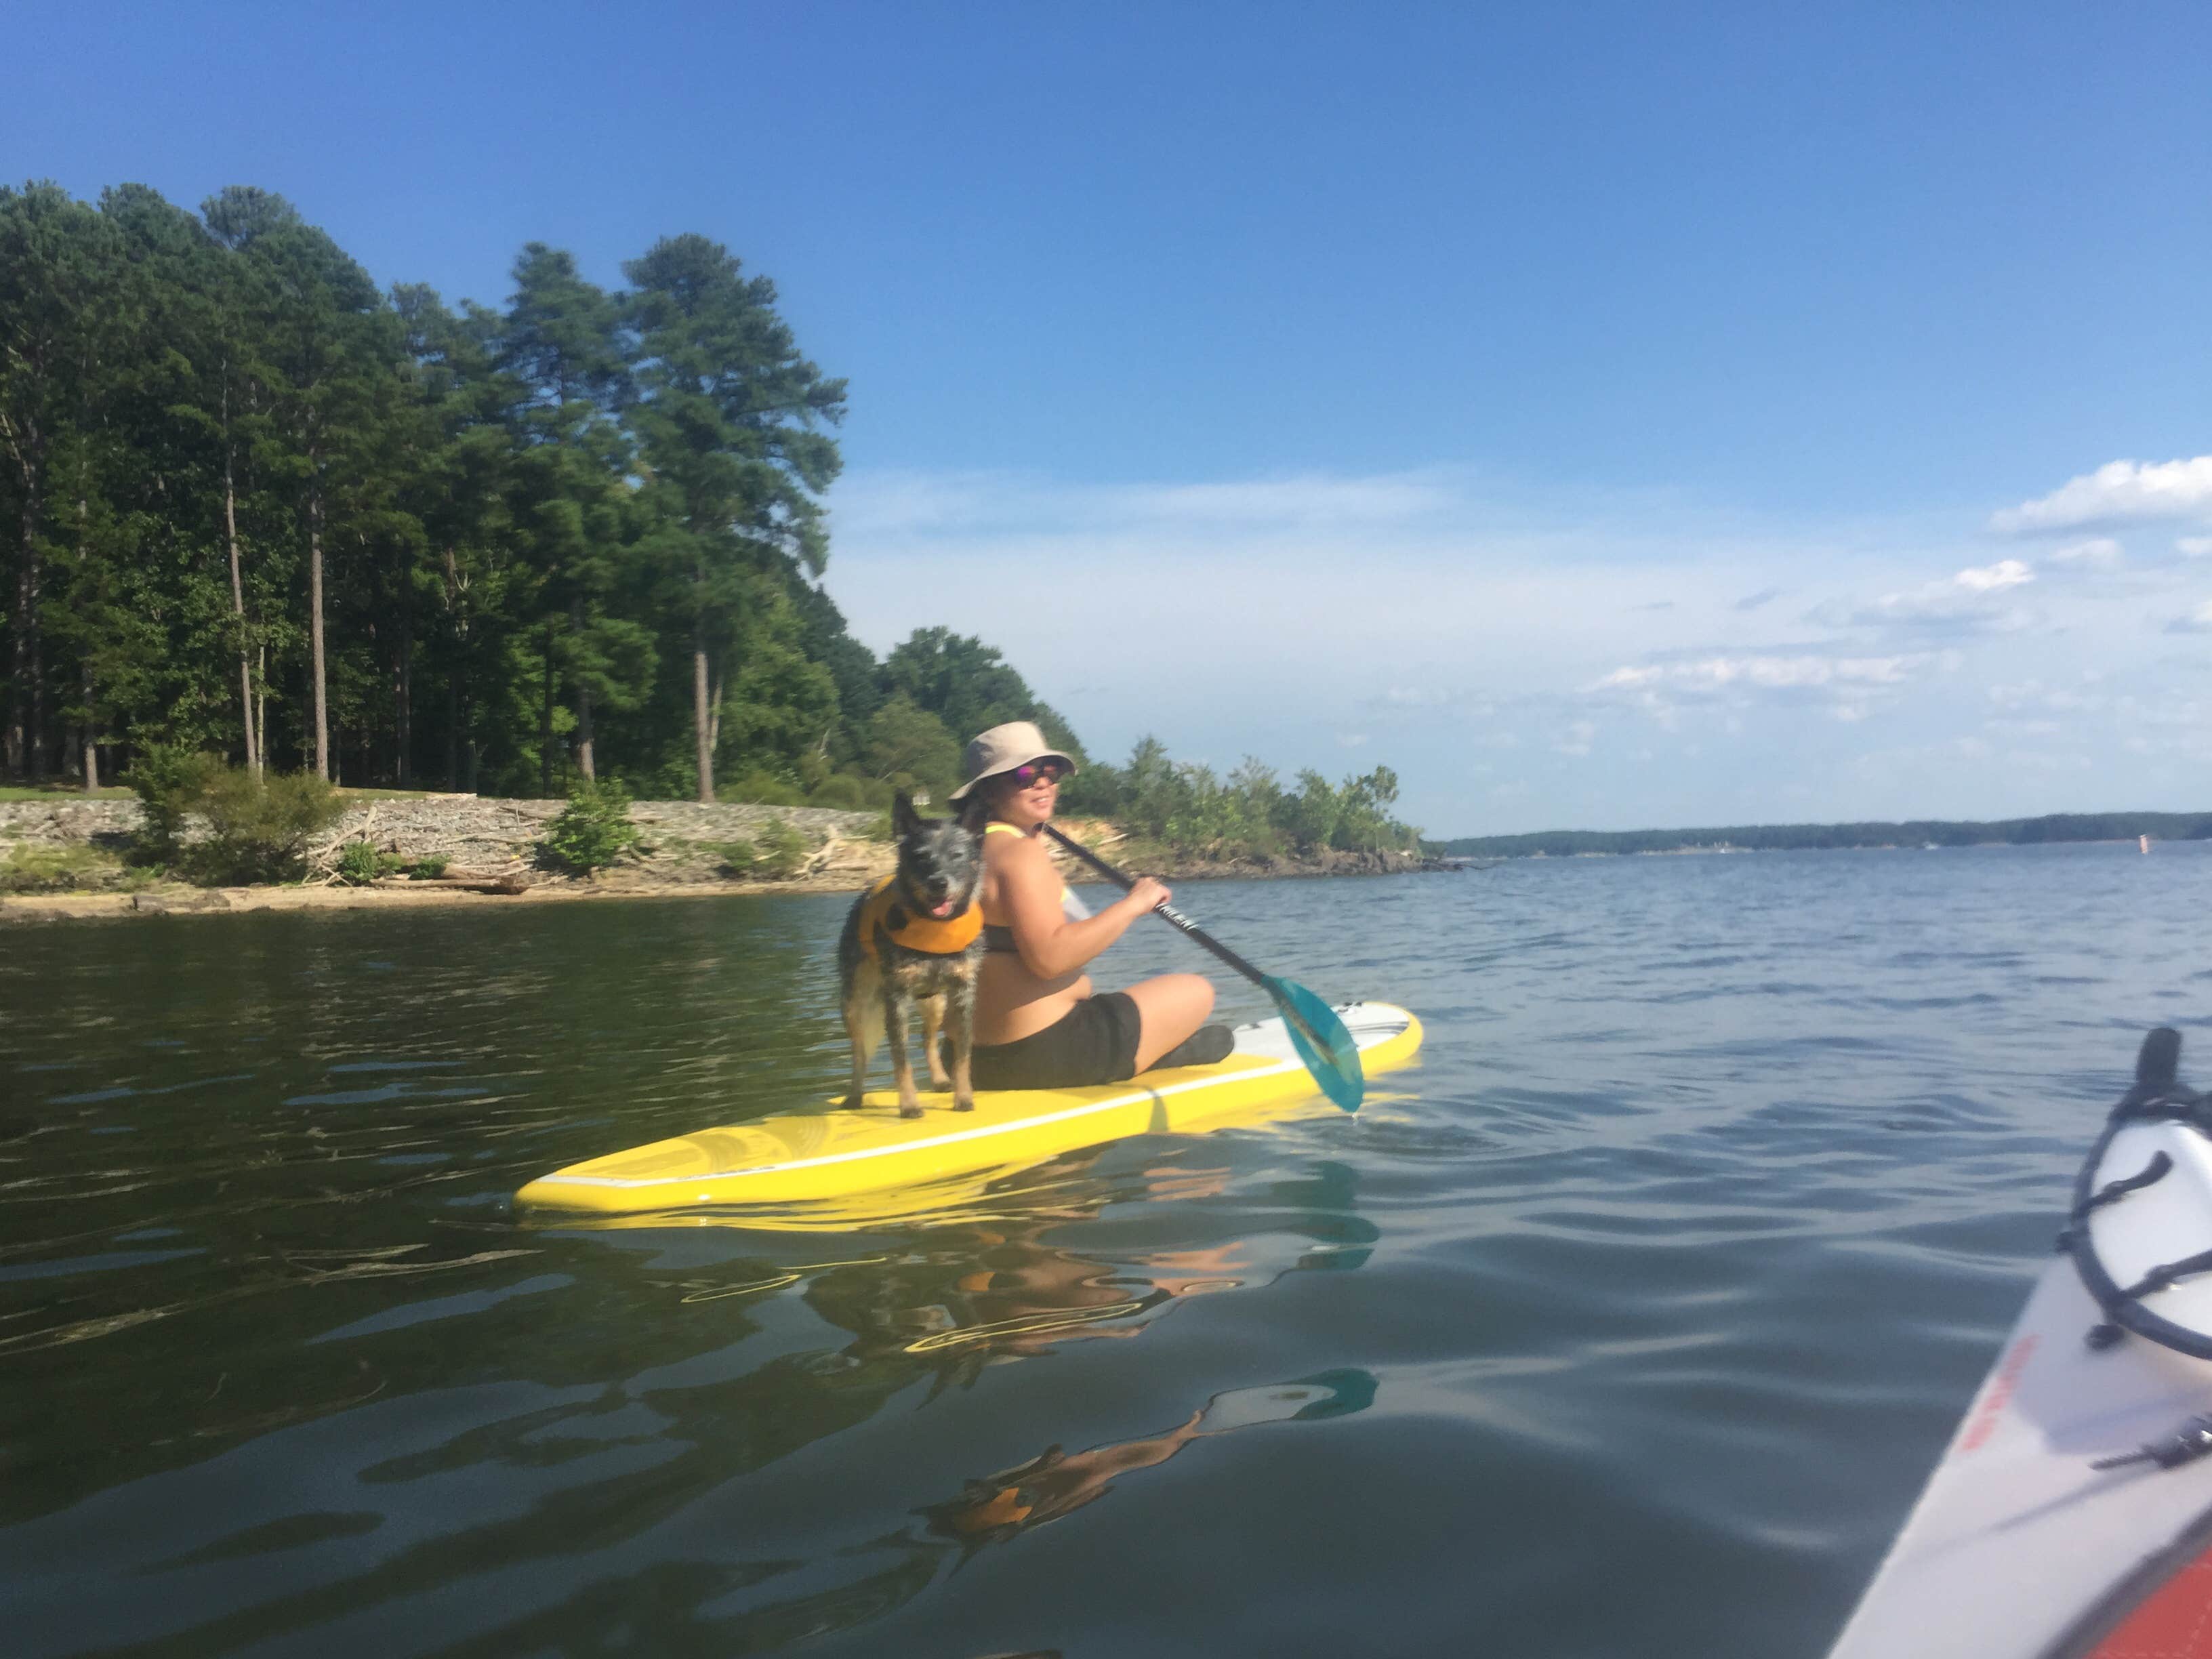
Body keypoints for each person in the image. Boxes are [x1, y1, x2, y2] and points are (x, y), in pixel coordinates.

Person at [951, 721, 1234, 1091]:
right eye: (1024, 774)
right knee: (1197, 991)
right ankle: (1154, 1059)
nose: (1042, 783)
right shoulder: (1019, 855)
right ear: (988, 791)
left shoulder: (963, 851)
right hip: (1043, 1053)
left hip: (970, 1059)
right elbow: (1049, 959)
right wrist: (1134, 905)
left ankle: (1146, 1052)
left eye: (1050, 772)